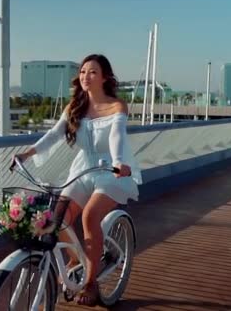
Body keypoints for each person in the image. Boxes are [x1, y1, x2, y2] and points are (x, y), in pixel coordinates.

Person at [14, 54, 142, 306]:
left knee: (89, 216)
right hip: (83, 168)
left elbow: (116, 136)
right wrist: (27, 153)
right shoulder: (74, 107)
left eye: (92, 72)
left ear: (105, 77)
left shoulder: (117, 106)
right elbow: (53, 135)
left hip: (110, 171)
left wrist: (118, 162)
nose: (86, 76)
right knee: (56, 218)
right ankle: (75, 258)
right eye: (83, 72)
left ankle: (91, 283)